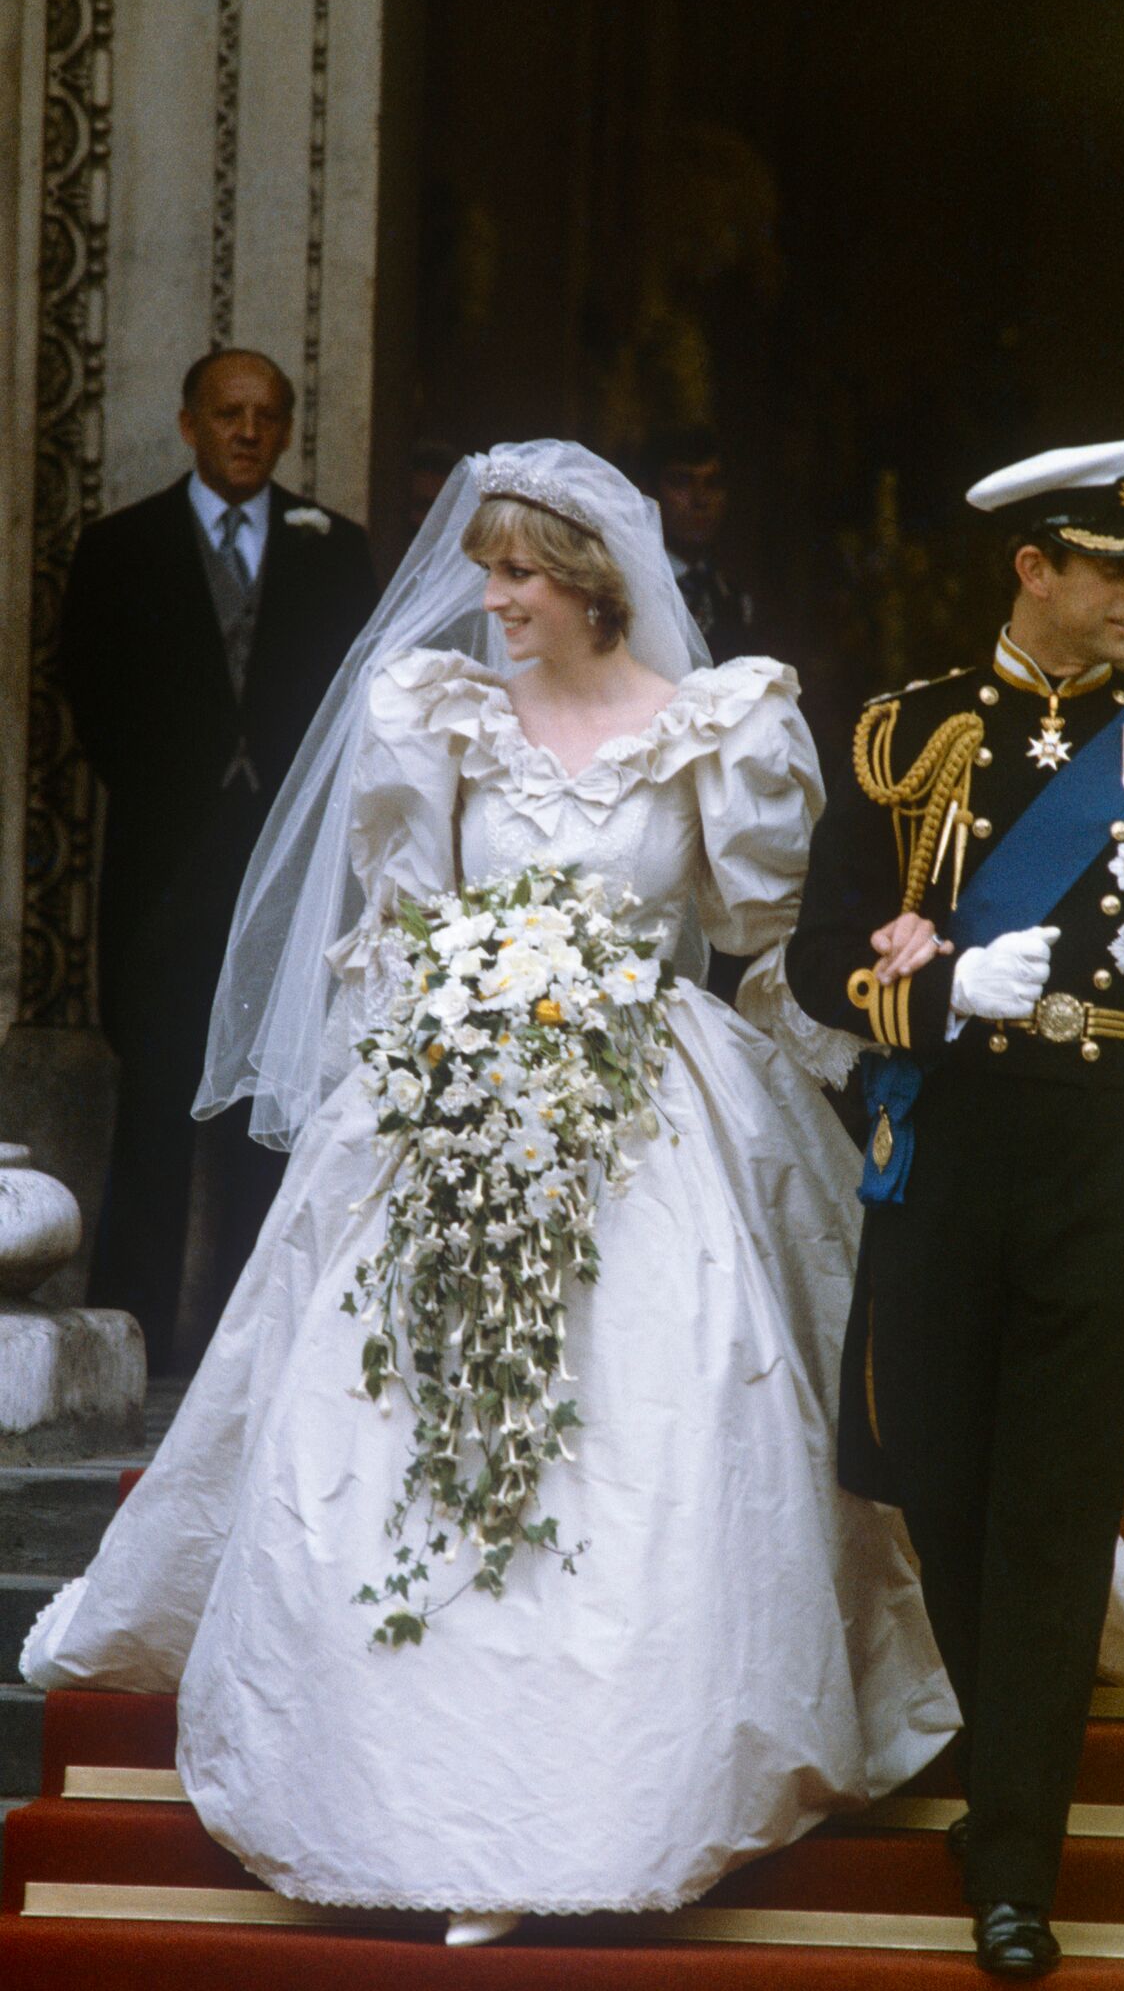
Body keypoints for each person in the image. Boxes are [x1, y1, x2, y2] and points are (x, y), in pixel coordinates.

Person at [23, 440, 965, 1940]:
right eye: (488, 570)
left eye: (518, 574)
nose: (490, 599)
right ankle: (407, 1791)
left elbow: (755, 930)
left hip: (651, 1106)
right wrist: (451, 1044)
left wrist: (887, 988)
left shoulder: (717, 728)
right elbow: (399, 927)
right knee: (405, 1414)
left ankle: (624, 1788)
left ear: (596, 590)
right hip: (458, 1098)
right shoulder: (438, 718)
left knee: (666, 1419)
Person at [787, 440, 1124, 1979]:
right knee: (945, 1490)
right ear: (1035, 572)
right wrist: (932, 993)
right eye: (1114, 569)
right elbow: (816, 962)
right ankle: (1001, 1778)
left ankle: (1013, 1861)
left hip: (1099, 1172)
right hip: (946, 1165)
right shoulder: (901, 734)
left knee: (1059, 1512)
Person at [60, 348, 379, 1373]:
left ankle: (250, 1352)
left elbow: (357, 701)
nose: (248, 431)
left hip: (284, 879)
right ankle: (134, 1341)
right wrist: (184, 789)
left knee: (269, 1113)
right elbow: (90, 696)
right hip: (165, 871)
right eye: (229, 413)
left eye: (267, 416)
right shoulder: (119, 548)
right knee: (154, 1104)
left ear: (286, 430)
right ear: (191, 422)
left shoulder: (336, 550)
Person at [645, 423, 758, 663]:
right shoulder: (628, 585)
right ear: (652, 492)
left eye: (713, 483)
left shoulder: (734, 598)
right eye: (682, 482)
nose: (701, 499)